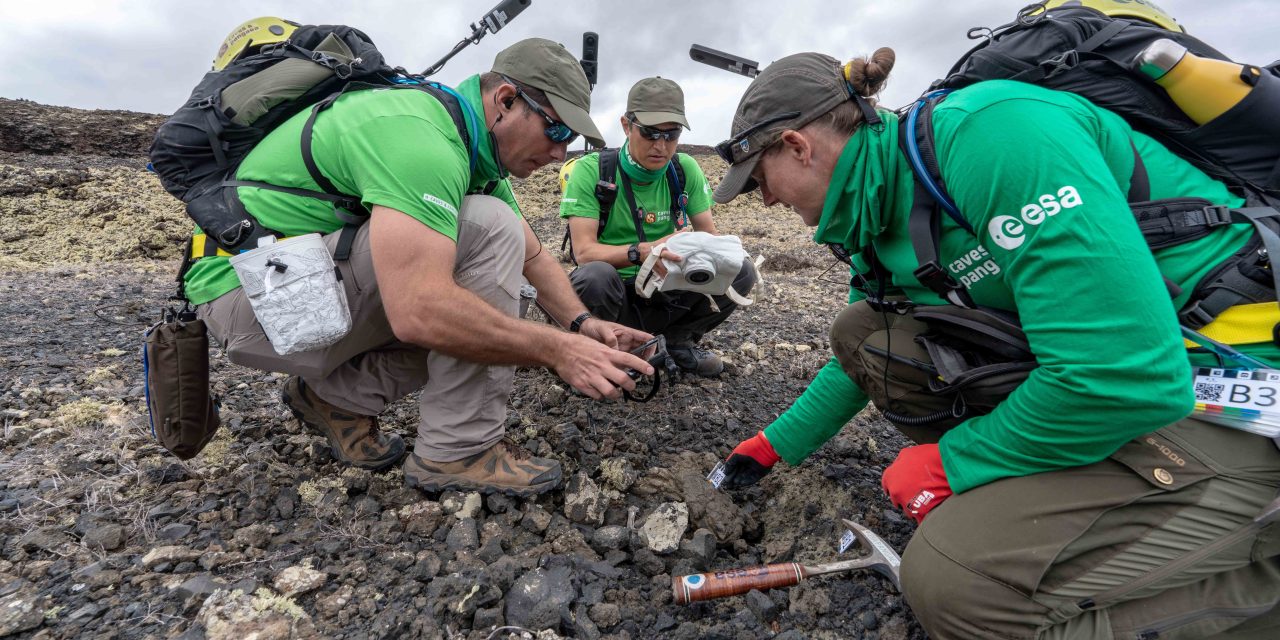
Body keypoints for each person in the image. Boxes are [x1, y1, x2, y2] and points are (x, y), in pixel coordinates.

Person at [712, 49, 1280, 638]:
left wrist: (955, 464)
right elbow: (859, 352)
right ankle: (1052, 489)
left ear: (797, 145)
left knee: (958, 592)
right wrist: (772, 445)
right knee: (863, 330)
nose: (769, 202)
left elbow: (1126, 375)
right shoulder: (876, 211)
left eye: (759, 182)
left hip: (1235, 388)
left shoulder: (993, 135)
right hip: (1112, 377)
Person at [185, 38, 655, 497]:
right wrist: (560, 351)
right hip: (251, 300)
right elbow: (420, 312)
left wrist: (583, 324)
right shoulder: (421, 138)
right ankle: (459, 451)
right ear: (506, 101)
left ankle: (334, 400)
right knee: (485, 243)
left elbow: (533, 256)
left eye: (569, 139)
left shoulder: (474, 150)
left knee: (486, 296)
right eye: (556, 130)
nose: (560, 153)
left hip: (286, 293)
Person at [559, 77, 756, 377]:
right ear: (626, 125)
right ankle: (603, 353)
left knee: (740, 269)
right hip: (616, 295)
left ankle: (679, 342)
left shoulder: (684, 168)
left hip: (667, 286)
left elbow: (708, 234)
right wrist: (646, 252)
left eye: (671, 135)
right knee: (594, 277)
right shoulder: (592, 171)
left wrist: (697, 251)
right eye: (650, 134)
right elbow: (584, 253)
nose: (661, 146)